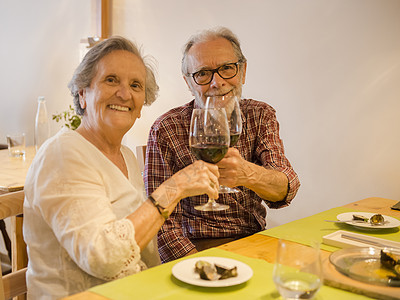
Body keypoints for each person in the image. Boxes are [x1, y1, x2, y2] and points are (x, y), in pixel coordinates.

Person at [23, 36, 220, 299]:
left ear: (141, 106)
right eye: (111, 80)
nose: (125, 94)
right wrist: (174, 188)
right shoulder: (63, 153)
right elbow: (103, 258)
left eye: (135, 85)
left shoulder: (125, 155)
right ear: (83, 94)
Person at [145, 27, 300, 263]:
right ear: (188, 82)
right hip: (197, 250)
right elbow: (161, 225)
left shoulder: (260, 114)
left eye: (227, 68)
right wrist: (201, 268)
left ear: (243, 71)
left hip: (256, 243)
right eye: (203, 73)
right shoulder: (166, 128)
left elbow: (286, 190)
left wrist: (247, 174)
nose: (217, 82)